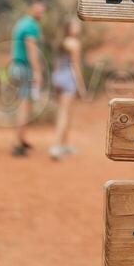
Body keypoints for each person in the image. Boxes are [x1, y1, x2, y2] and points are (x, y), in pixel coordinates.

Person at [10, 0, 45, 157]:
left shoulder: (21, 23)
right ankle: (18, 144)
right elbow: (32, 51)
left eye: (42, 11)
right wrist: (37, 72)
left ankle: (22, 138)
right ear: (31, 8)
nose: (40, 14)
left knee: (24, 104)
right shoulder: (31, 26)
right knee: (24, 106)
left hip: (16, 66)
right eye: (38, 10)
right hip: (25, 68)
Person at [49, 19, 87, 160]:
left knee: (66, 111)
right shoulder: (75, 43)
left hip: (58, 76)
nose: (78, 27)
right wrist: (81, 87)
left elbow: (56, 63)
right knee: (65, 113)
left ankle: (64, 144)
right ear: (69, 28)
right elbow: (76, 66)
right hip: (68, 78)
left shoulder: (62, 42)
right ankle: (56, 146)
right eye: (75, 25)